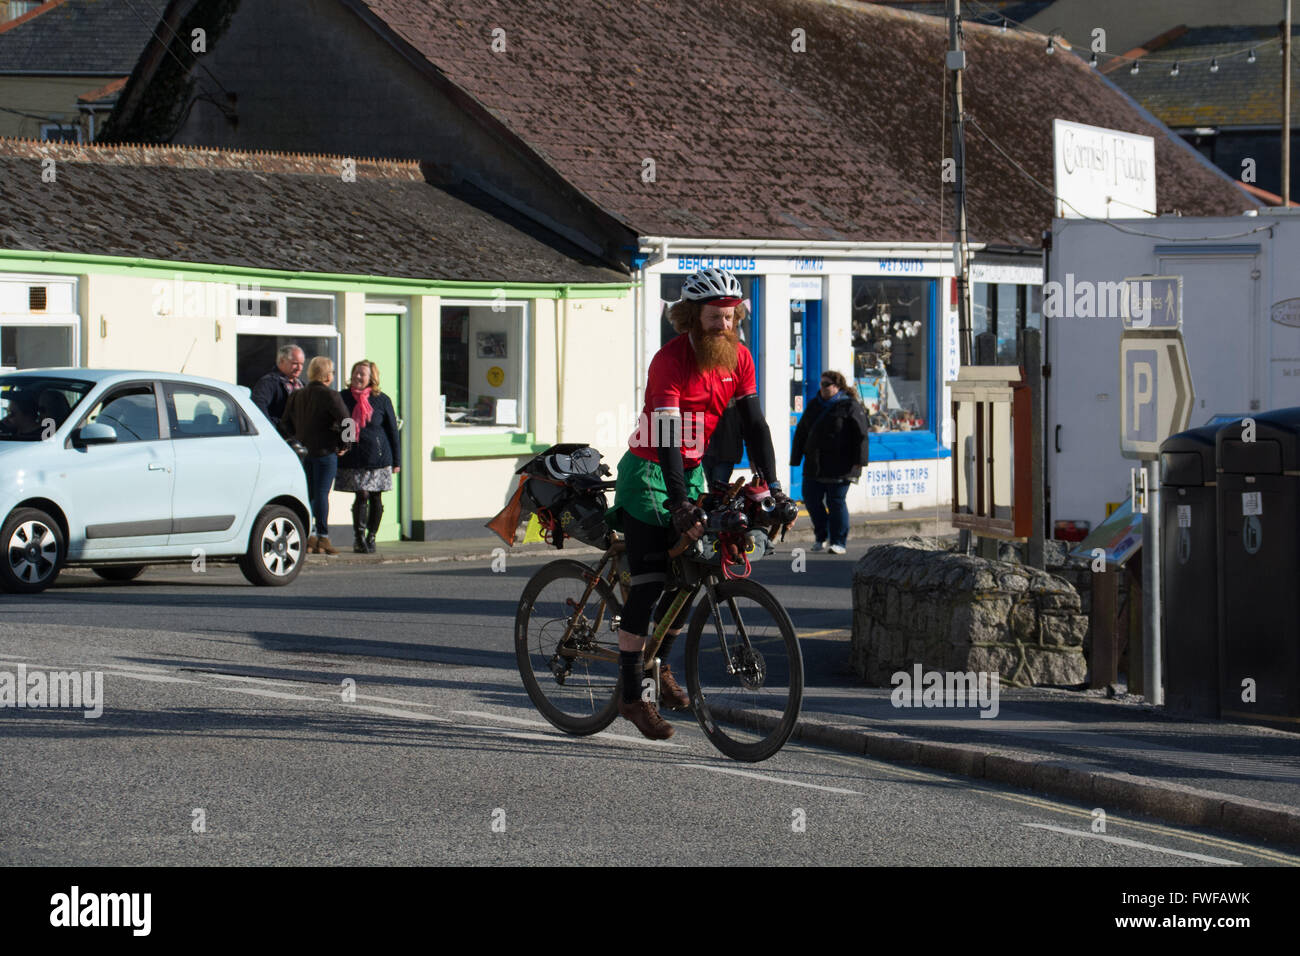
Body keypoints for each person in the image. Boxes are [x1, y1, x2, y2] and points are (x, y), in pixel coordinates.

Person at [605, 267, 789, 740]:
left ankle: (658, 660)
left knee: (695, 572)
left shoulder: (740, 359)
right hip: (649, 471)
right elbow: (666, 436)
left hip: (689, 470)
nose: (724, 325)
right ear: (691, 317)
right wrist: (682, 504)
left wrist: (774, 487)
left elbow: (755, 425)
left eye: (730, 316)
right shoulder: (669, 361)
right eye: (713, 317)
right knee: (649, 582)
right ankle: (631, 694)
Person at [790, 369, 870, 555]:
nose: (823, 388)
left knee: (836, 502)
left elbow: (861, 435)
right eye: (821, 384)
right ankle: (821, 536)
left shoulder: (850, 406)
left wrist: (860, 462)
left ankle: (838, 541)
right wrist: (795, 458)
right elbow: (801, 432)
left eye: (827, 384)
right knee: (811, 499)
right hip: (815, 465)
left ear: (837, 386)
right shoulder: (814, 405)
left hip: (841, 465)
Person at [280, 356, 349, 555]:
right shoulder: (331, 395)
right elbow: (348, 422)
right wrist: (345, 444)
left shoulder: (297, 395)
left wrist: (295, 440)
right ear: (327, 375)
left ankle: (308, 535)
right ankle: (323, 537)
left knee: (307, 494)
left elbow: (284, 424)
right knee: (321, 494)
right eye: (332, 372)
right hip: (326, 451)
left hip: (303, 452)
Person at [337, 359, 401, 553]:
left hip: (379, 457)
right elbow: (345, 423)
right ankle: (359, 538)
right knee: (361, 494)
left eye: (362, 374)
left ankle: (372, 536)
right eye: (355, 372)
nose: (357, 376)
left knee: (376, 497)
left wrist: (397, 460)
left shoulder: (381, 399)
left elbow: (392, 431)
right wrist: (344, 445)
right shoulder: (344, 397)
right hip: (355, 457)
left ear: (371, 378)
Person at [251, 344, 305, 428]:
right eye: (295, 363)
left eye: (302, 364)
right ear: (282, 360)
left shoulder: (301, 384)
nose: (299, 368)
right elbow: (258, 407)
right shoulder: (269, 382)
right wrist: (274, 429)